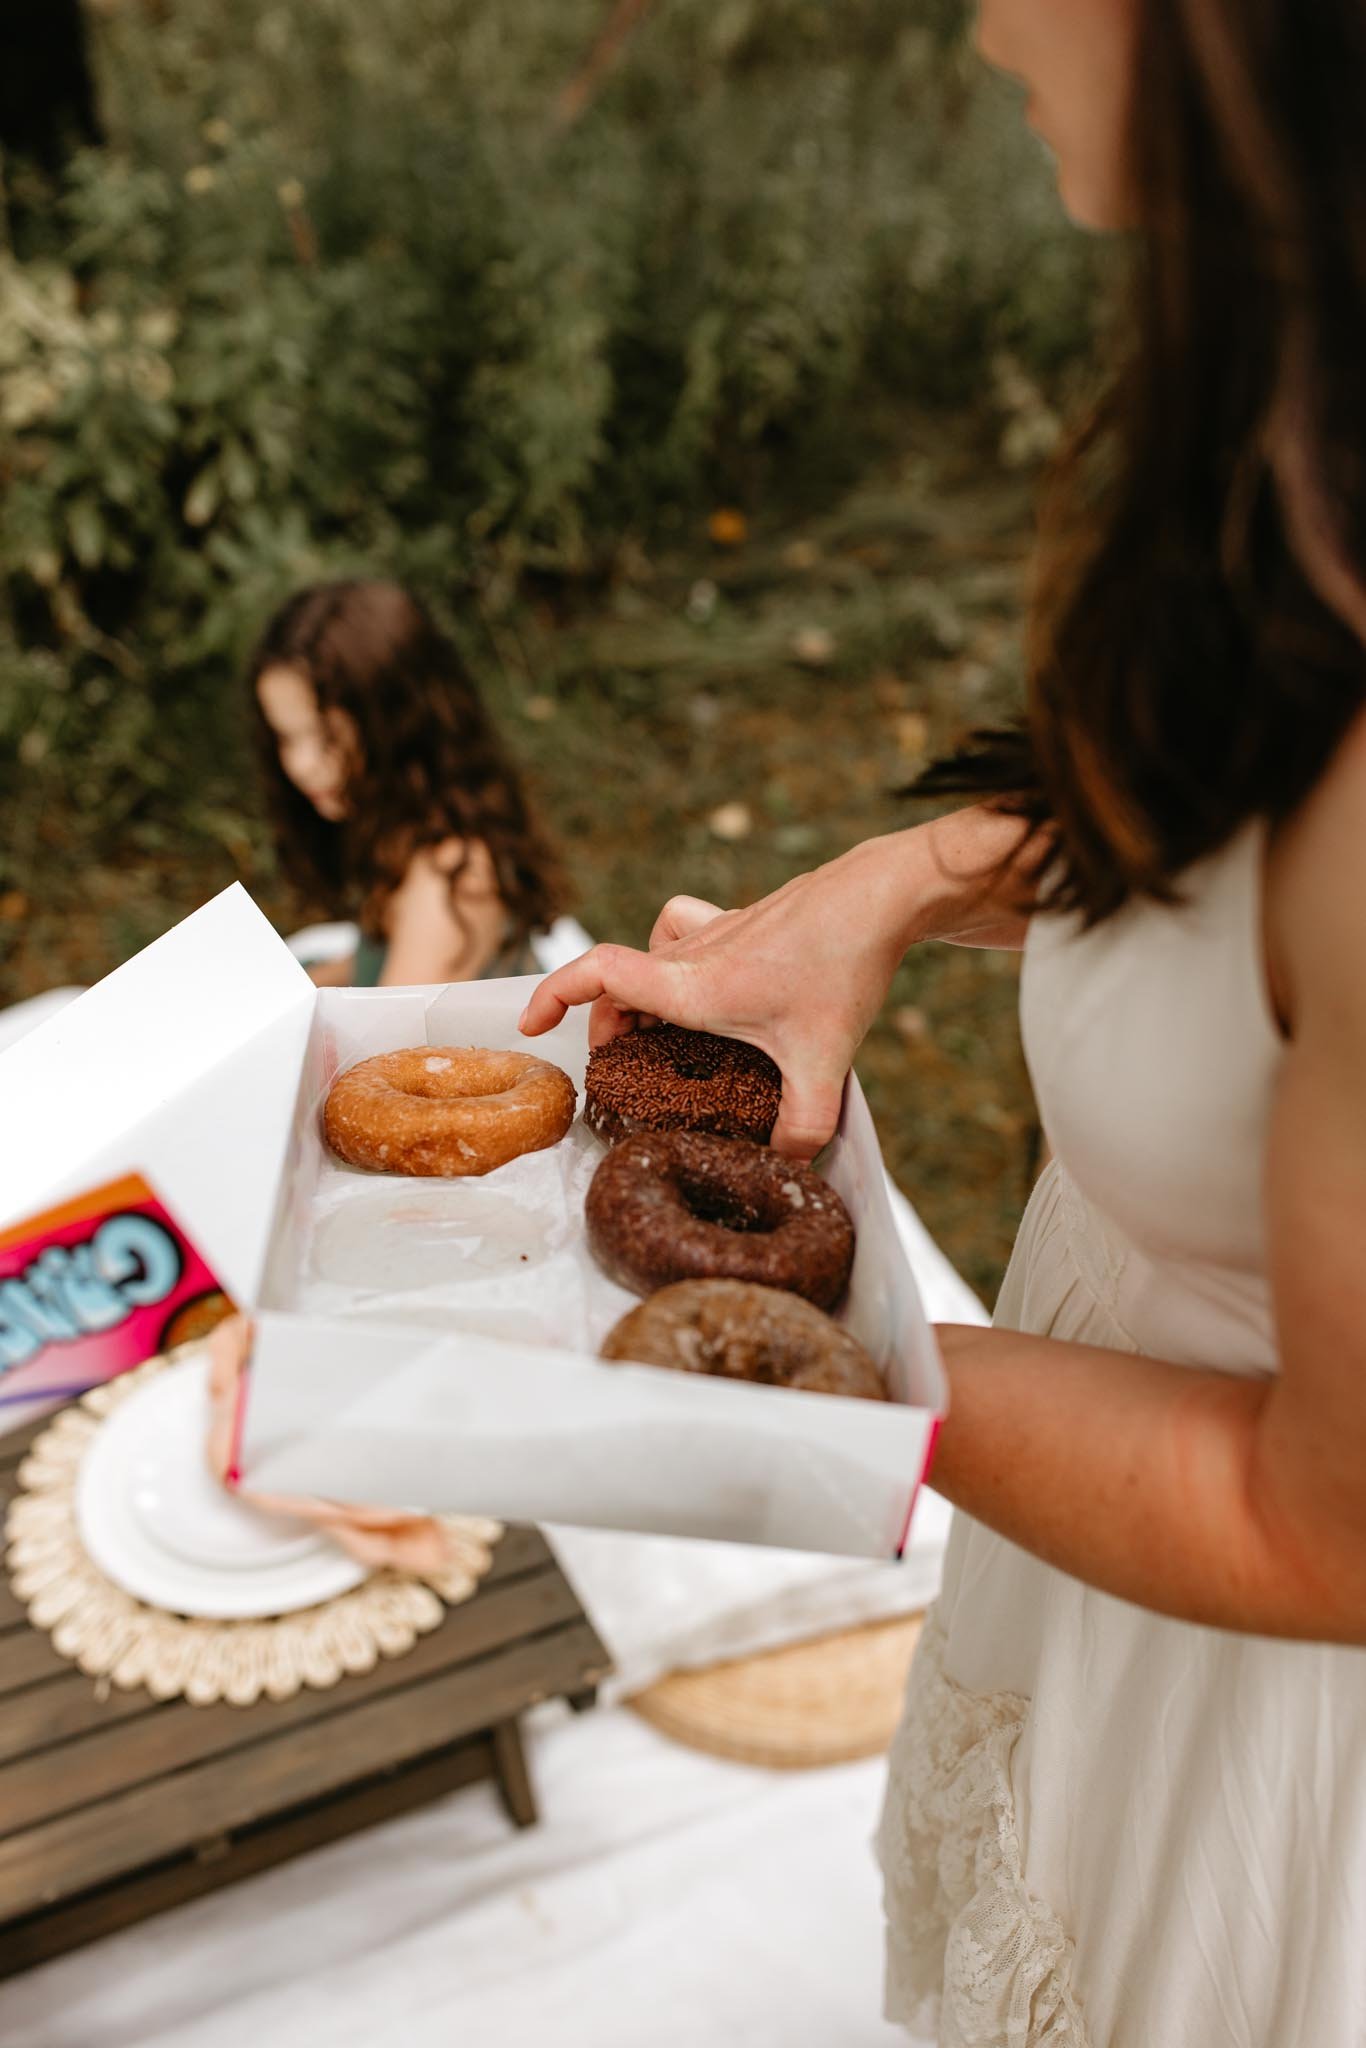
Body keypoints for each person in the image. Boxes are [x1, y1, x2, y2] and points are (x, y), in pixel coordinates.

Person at [520, 0, 1366, 2039]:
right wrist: (892, 887)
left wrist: (833, 1362)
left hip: (1270, 1721)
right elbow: (1228, 803)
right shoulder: (1304, 413)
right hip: (1108, 1566)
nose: (980, 15)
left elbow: (1326, 1526)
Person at [249, 579, 568, 986]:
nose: (301, 765)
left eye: (327, 738)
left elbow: (388, 1042)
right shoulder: (400, 825)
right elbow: (380, 952)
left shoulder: (451, 878)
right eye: (285, 737)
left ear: (398, 727)